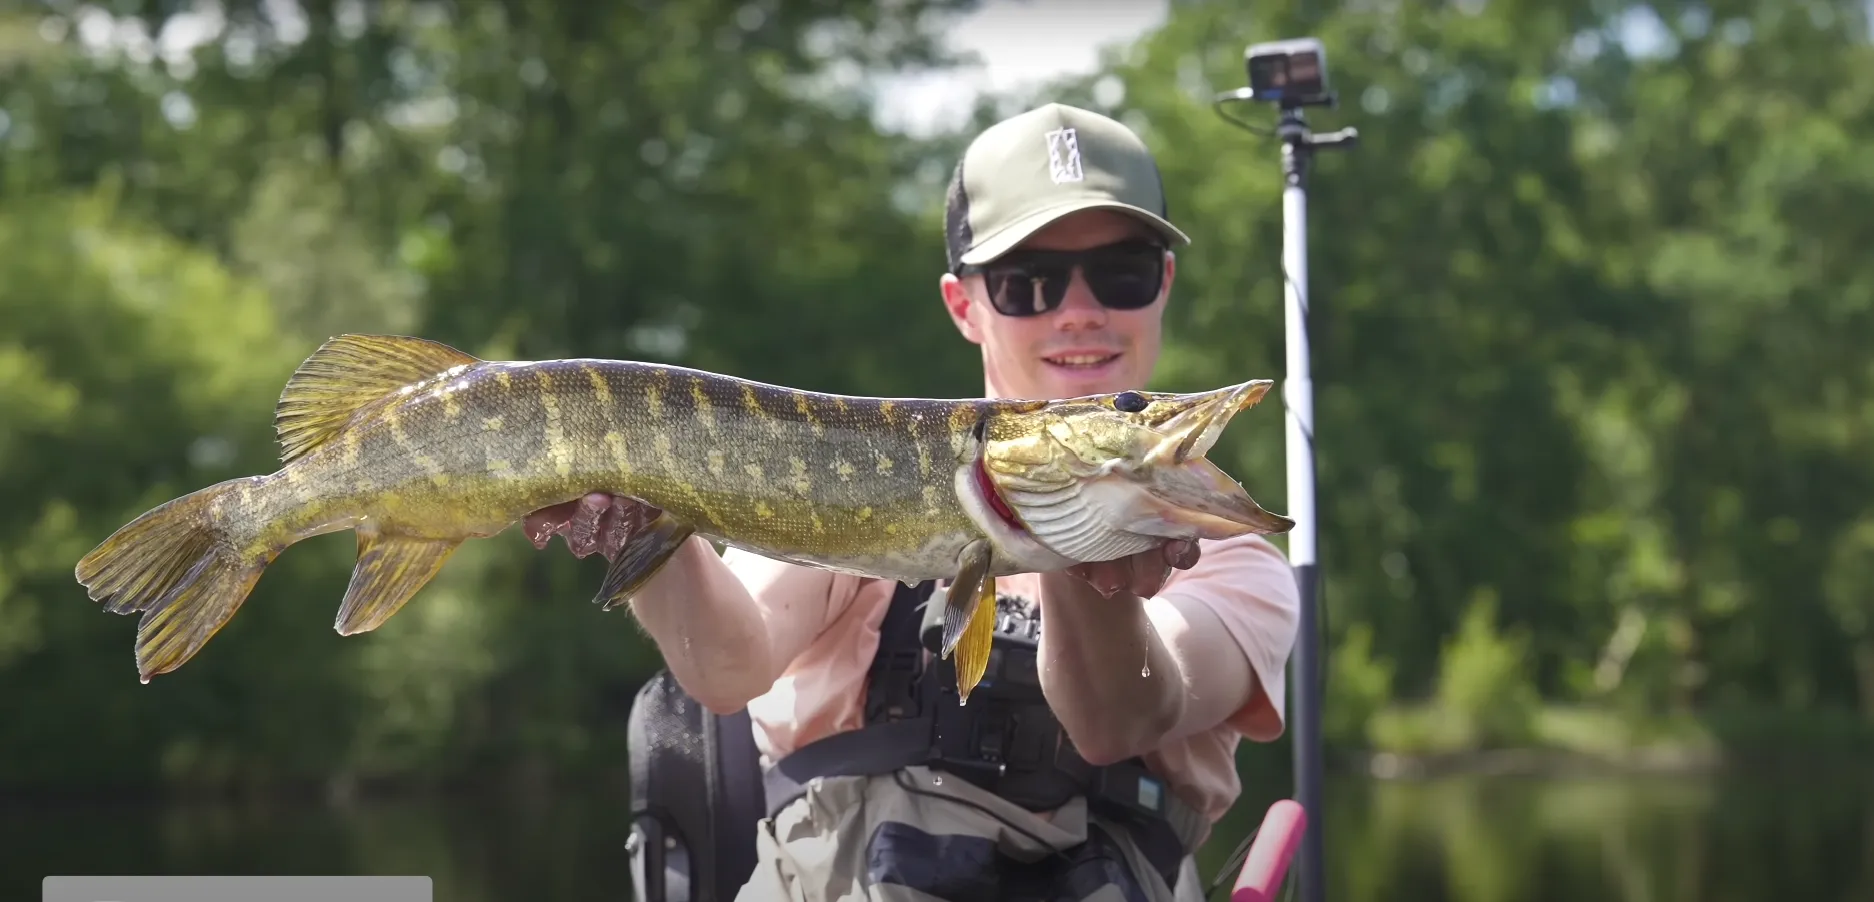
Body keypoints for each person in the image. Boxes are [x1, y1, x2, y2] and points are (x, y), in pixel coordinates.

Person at [522, 103, 1300, 901]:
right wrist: (645, 520)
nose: (1080, 309)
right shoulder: (856, 466)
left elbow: (1117, 722)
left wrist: (1077, 536)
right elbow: (727, 668)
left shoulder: (1233, 561)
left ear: (1163, 283)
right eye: (1026, 281)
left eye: (1121, 271)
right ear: (966, 305)